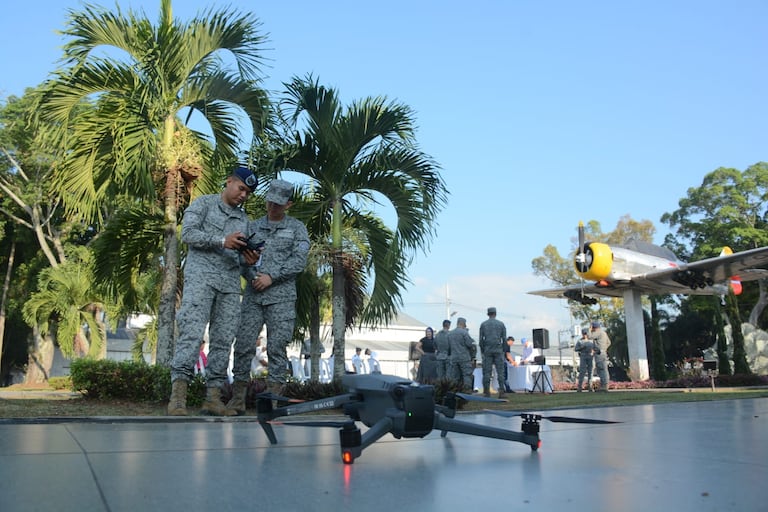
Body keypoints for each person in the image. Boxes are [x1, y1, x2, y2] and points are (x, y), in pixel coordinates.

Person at [167, 165, 260, 416]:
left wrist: (250, 263)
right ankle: (178, 398)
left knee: (223, 340)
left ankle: (213, 397)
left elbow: (240, 259)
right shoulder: (203, 204)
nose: (243, 195)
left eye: (248, 193)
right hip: (201, 280)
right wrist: (222, 240)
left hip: (229, 286)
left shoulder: (243, 220)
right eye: (241, 189)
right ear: (229, 182)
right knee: (192, 335)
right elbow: (188, 234)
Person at [227, 179, 310, 414]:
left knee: (276, 348)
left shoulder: (296, 229)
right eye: (270, 201)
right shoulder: (251, 227)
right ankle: (237, 400)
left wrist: (271, 277)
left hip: (281, 298)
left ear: (288, 204)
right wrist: (251, 274)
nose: (273, 206)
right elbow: (240, 259)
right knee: (243, 346)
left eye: (279, 203)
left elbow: (298, 261)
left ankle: (273, 402)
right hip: (253, 297)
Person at [478, 307, 507, 398]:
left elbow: (481, 340)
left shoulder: (483, 324)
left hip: (487, 350)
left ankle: (487, 392)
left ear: (488, 314)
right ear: (495, 313)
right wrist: (503, 351)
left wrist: (483, 351)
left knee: (487, 372)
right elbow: (504, 339)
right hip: (498, 350)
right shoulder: (501, 324)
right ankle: (501, 391)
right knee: (500, 372)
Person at [447, 317, 476, 392]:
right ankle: (466, 392)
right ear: (463, 323)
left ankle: (454, 392)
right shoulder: (464, 333)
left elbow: (448, 347)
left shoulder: (450, 333)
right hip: (464, 358)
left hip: (454, 358)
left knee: (455, 377)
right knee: (466, 375)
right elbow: (469, 344)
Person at [590, 321, 611, 392]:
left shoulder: (598, 332)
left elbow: (590, 336)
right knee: (604, 369)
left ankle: (604, 386)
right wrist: (604, 349)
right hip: (603, 352)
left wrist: (589, 330)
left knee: (601, 369)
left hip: (599, 353)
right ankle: (605, 385)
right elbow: (609, 342)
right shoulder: (604, 333)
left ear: (594, 327)